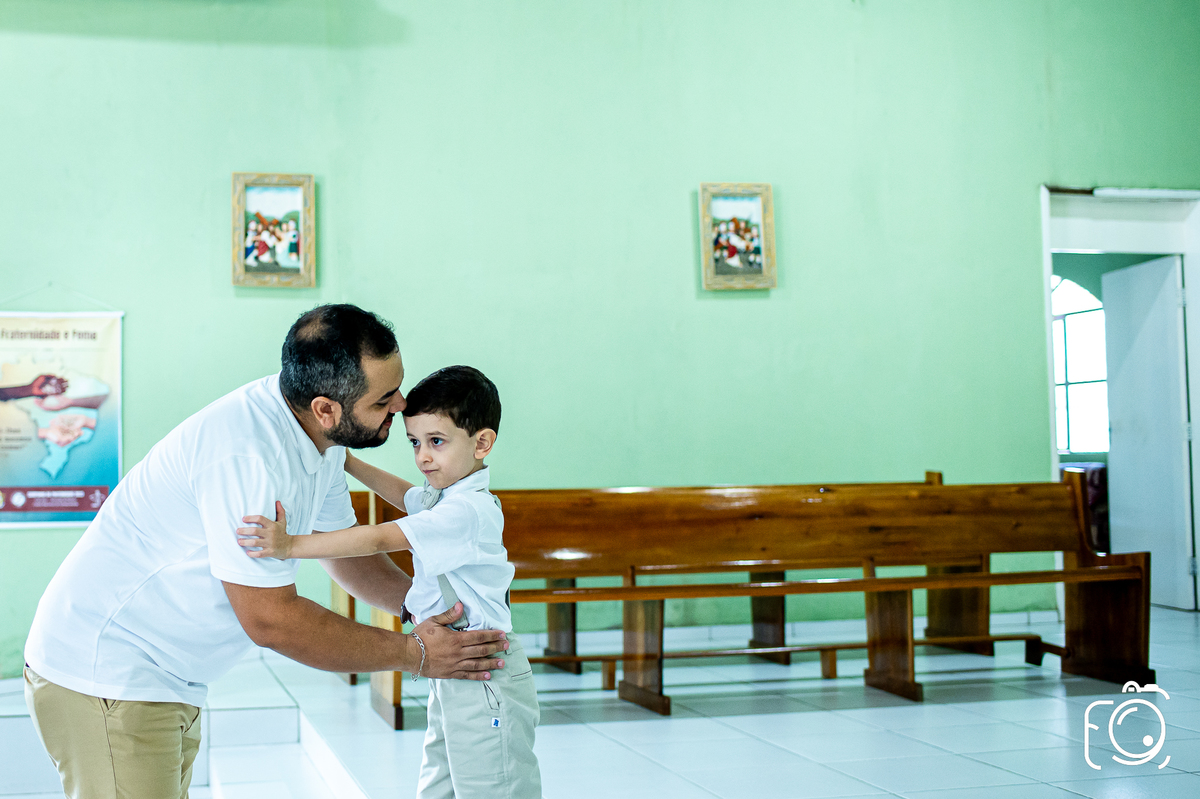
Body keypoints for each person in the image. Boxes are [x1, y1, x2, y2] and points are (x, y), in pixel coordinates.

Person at [23, 305, 508, 799]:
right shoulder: (248, 455)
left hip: (167, 677)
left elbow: (345, 552)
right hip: (108, 672)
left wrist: (436, 613)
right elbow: (270, 620)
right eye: (384, 398)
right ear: (326, 408)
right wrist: (416, 653)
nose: (402, 405)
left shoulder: (318, 434)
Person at [237, 365, 542, 799]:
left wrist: (290, 546)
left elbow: (379, 537)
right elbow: (404, 495)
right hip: (455, 667)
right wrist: (348, 461)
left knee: (492, 787)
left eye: (436, 442)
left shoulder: (466, 511)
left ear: (482, 443)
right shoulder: (445, 497)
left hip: (485, 673)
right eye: (415, 442)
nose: (423, 457)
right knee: (440, 783)